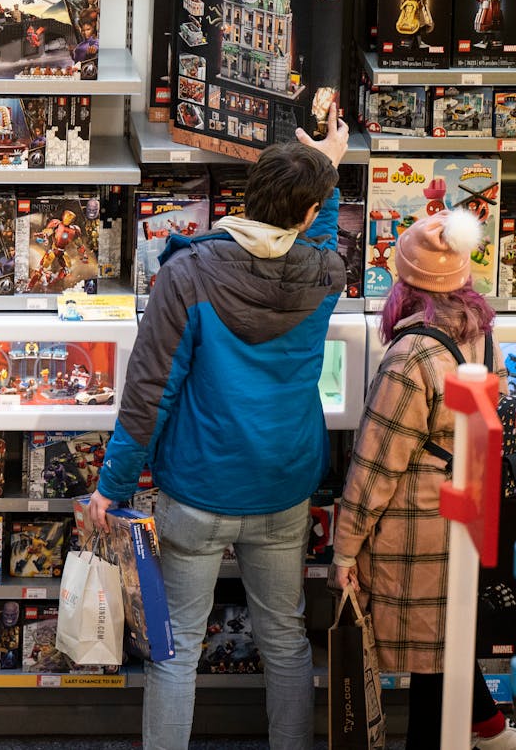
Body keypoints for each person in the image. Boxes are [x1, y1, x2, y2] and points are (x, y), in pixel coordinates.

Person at [89, 113, 351, 750]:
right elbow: (314, 225)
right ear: (308, 210)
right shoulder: (326, 275)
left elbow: (149, 392)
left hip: (200, 489)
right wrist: (329, 168)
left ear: (247, 193)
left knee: (175, 648)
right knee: (286, 639)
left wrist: (112, 487)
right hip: (285, 485)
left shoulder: (190, 274)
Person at [332, 210, 516, 750]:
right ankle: (492, 732)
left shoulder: (411, 354)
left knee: (433, 669)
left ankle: (487, 734)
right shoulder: (478, 332)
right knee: (441, 657)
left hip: (415, 530)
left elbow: (374, 466)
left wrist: (344, 552)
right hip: (463, 514)